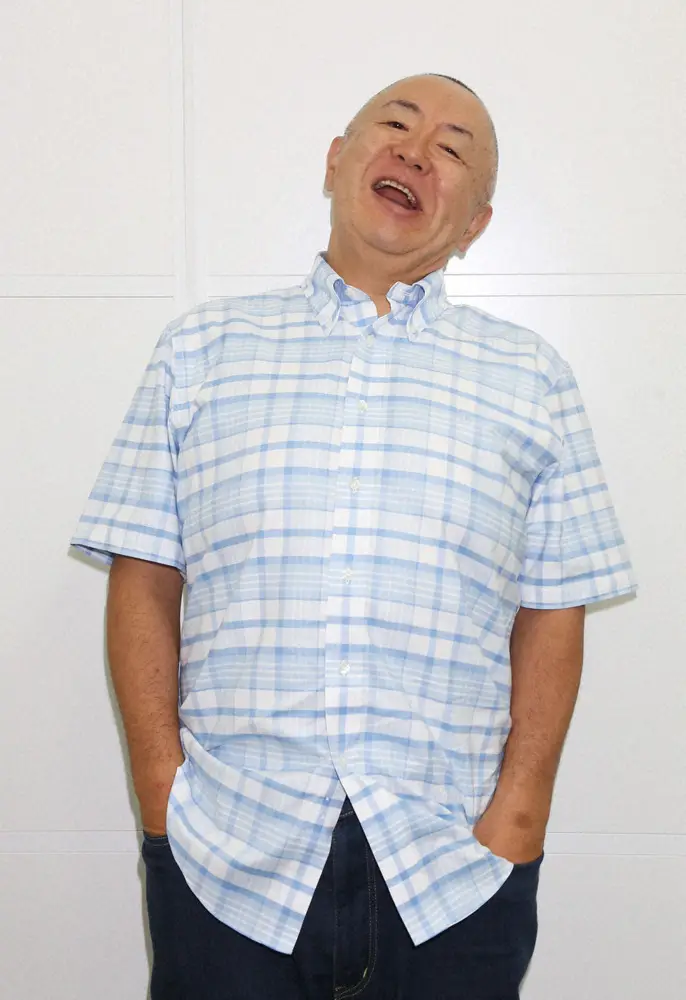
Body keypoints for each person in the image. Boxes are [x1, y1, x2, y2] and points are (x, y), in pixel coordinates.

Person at [71, 73, 637, 999]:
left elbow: (553, 611)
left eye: (452, 149)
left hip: (451, 871)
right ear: (337, 161)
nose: (417, 151)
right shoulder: (199, 351)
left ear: (476, 224)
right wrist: (162, 794)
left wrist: (519, 817)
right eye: (397, 124)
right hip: (226, 859)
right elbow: (144, 577)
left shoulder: (531, 378)